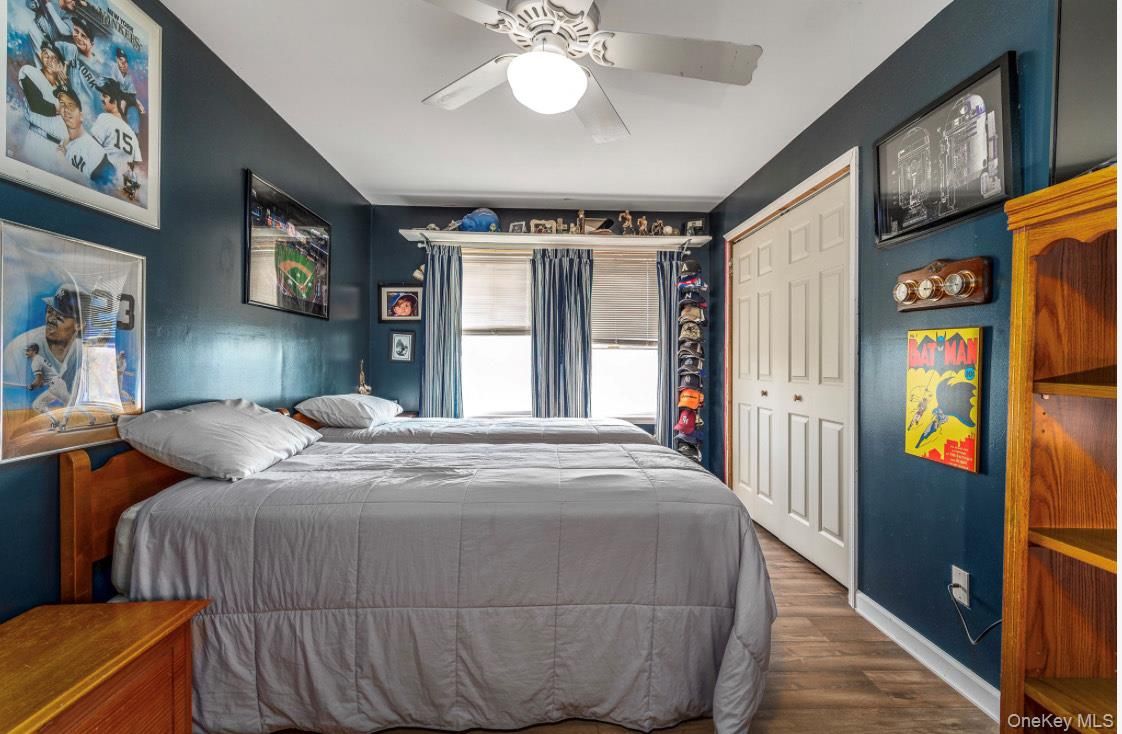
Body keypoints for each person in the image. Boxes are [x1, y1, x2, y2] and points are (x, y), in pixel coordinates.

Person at [54, 86, 116, 186]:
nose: (66, 110)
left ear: (81, 116)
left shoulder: (92, 149)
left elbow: (110, 189)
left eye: (71, 105)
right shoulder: (62, 144)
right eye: (62, 104)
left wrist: (64, 163)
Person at [91, 78, 141, 185]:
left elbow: (91, 149)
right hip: (120, 183)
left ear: (114, 100)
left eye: (104, 96)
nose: (101, 98)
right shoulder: (132, 134)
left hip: (103, 177)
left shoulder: (104, 118)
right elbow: (134, 166)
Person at [18, 40, 68, 144]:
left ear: (60, 65)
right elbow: (38, 106)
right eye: (46, 55)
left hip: (60, 146)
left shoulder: (62, 87)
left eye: (54, 58)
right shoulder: (30, 71)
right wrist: (64, 109)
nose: (49, 60)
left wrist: (64, 85)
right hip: (39, 139)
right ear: (41, 55)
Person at [55, 16, 107, 117]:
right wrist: (59, 67)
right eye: (76, 31)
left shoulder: (100, 67)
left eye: (84, 36)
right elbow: (51, 48)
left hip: (90, 115)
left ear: (91, 44)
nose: (78, 37)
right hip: (69, 110)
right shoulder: (69, 48)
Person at [111, 47, 145, 134]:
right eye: (121, 61)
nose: (123, 64)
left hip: (125, 105)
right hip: (112, 104)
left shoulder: (128, 78)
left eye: (125, 62)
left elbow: (131, 96)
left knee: (133, 113)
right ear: (116, 60)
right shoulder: (112, 71)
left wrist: (137, 103)